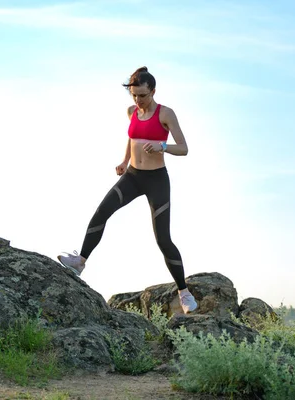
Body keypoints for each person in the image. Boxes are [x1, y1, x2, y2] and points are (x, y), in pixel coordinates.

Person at [58, 66, 198, 314]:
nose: (138, 100)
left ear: (153, 91)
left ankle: (183, 292)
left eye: (142, 95)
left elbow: (184, 148)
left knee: (163, 239)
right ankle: (80, 262)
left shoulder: (166, 114)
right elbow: (132, 138)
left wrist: (162, 145)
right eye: (134, 95)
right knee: (101, 212)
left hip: (156, 180)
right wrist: (124, 161)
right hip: (133, 176)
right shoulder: (132, 111)